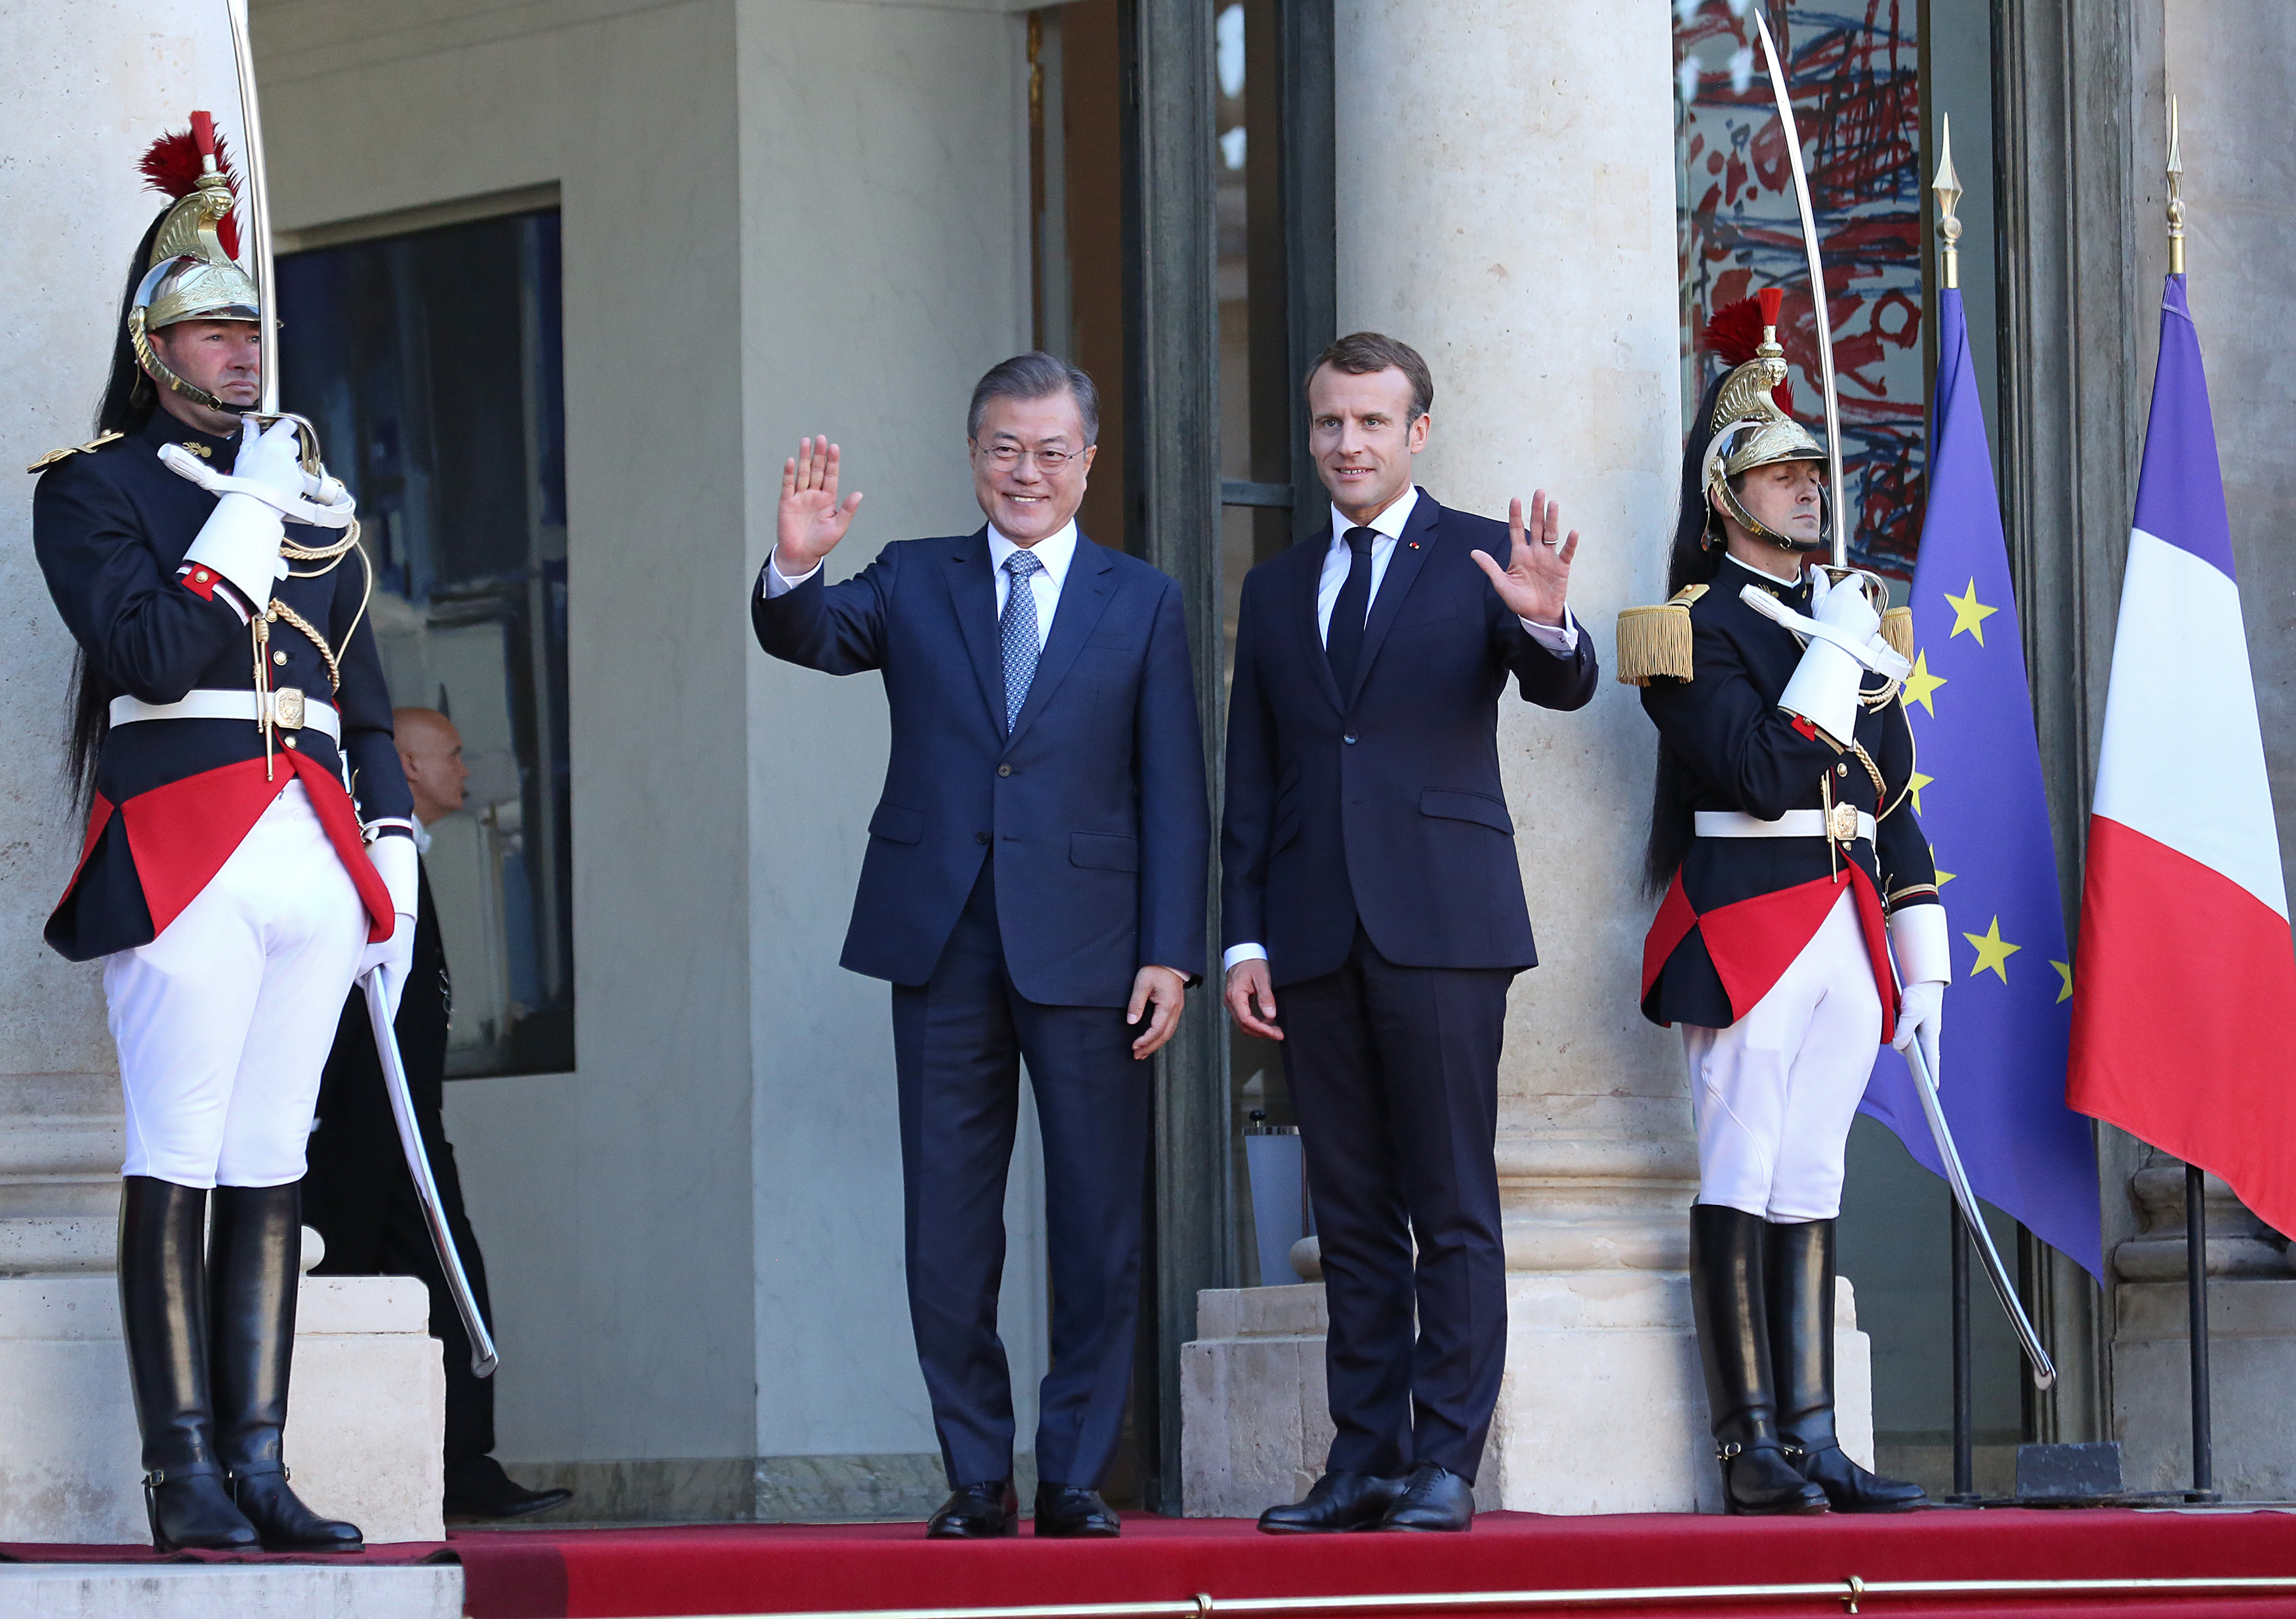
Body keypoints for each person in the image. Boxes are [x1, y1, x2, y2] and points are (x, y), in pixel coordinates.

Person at [30, 115, 416, 1553]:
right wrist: (242, 516)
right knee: (179, 1148)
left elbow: (361, 691)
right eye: (211, 330)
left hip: (311, 850)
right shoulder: (94, 491)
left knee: (272, 1157)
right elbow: (144, 649)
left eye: (252, 325)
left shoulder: (313, 499)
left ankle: (260, 1464)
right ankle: (179, 1473)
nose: (243, 347)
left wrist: (393, 843)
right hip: (186, 840)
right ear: (156, 349)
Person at [751, 353, 1208, 1540]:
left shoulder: (1142, 598)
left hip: (1097, 948)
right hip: (941, 936)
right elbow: (805, 634)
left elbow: (1174, 791)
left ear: (1089, 463)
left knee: (1098, 1222)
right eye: (1006, 448)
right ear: (973, 455)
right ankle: (974, 1472)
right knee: (947, 1221)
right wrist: (795, 561)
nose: (1028, 472)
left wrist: (1171, 949)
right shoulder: (912, 578)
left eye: (1053, 451)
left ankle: (1071, 1473)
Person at [1223, 333, 1599, 1534]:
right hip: (1314, 935)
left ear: (1416, 432)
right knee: (1349, 1213)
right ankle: (1363, 1460)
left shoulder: (1485, 553)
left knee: (1451, 1201)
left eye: (1373, 423)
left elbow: (1565, 685)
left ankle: (1446, 1461)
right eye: (1332, 422)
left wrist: (1550, 626)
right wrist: (1242, 942)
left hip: (1443, 924)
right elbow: (1255, 782)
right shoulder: (1276, 586)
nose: (1349, 444)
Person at [1619, 289, 1938, 1515]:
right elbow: (1753, 768)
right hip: (1747, 917)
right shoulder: (1685, 629)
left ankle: (1814, 1436)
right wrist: (1837, 651)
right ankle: (1746, 1440)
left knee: (1814, 1173)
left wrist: (1925, 956)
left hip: (1848, 918)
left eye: (1813, 470)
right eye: (1780, 472)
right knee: (1740, 1163)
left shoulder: (1846, 613)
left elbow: (1893, 791)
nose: (1808, 488)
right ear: (1725, 495)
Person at [303, 708, 575, 1522]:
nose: (466, 767)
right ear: (408, 768)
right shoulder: (366, 860)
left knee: (447, 1285)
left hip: (409, 1125)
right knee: (364, 1282)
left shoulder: (404, 856)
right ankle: (397, 1464)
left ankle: (459, 1462)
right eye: (450, 754)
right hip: (363, 1130)